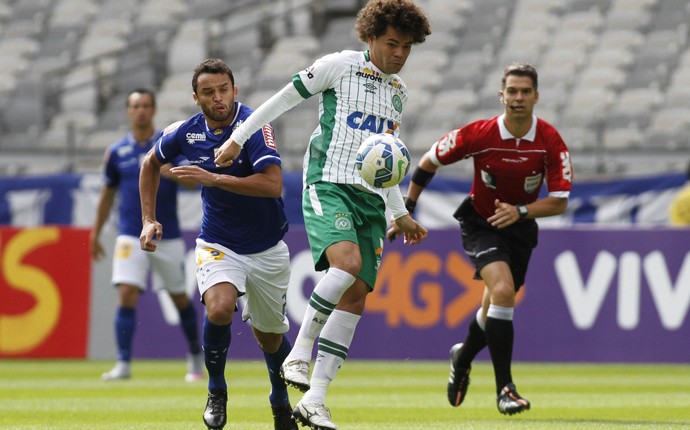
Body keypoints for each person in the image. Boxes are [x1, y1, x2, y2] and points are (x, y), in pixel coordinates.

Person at [214, 1, 431, 428]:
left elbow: (384, 162)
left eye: (407, 46)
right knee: (346, 265)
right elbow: (282, 100)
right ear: (370, 37)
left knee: (355, 296)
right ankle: (298, 353)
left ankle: (315, 398)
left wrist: (399, 212)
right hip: (328, 184)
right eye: (392, 43)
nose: (400, 53)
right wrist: (239, 138)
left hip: (371, 199)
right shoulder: (338, 66)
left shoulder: (398, 92)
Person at [392, 63, 573, 415]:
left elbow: (560, 202)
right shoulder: (480, 134)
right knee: (503, 291)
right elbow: (429, 160)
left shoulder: (549, 141)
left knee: (494, 305)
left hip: (520, 227)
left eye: (525, 92)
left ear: (536, 96)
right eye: (512, 91)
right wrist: (408, 207)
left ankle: (462, 355)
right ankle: (505, 388)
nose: (518, 98)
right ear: (501, 95)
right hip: (482, 222)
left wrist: (521, 212)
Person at [139, 59, 297, 430]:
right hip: (218, 242)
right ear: (196, 98)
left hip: (267, 248)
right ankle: (216, 389)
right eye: (208, 92)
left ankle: (279, 398)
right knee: (220, 307)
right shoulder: (186, 132)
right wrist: (148, 218)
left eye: (223, 89)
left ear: (234, 90)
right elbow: (150, 163)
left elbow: (273, 184)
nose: (218, 97)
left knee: (271, 337)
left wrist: (212, 178)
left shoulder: (255, 124)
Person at [90, 88, 204, 383]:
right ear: (128, 111)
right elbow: (107, 193)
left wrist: (176, 172)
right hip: (130, 233)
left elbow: (196, 184)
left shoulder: (168, 146)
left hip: (169, 235)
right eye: (135, 105)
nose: (140, 110)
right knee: (126, 293)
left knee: (179, 297)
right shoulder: (116, 152)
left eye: (145, 105)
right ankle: (123, 363)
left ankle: (195, 358)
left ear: (152, 110)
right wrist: (96, 232)